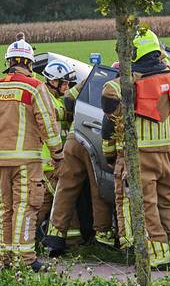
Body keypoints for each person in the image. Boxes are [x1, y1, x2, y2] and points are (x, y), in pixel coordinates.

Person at [100, 29, 170, 270]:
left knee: (147, 205)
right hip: (168, 151)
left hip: (142, 153)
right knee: (168, 202)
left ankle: (158, 256)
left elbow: (109, 96)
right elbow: (164, 63)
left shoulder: (131, 82)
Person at [0, 33, 64, 271]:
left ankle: (6, 256)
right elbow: (47, 123)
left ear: (8, 62)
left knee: (6, 207)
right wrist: (57, 153)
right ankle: (25, 258)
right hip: (27, 159)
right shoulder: (35, 88)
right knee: (26, 206)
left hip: (1, 159)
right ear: (29, 63)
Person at [42, 61, 117, 256]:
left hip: (75, 138)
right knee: (98, 188)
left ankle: (55, 236)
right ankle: (103, 236)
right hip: (94, 138)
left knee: (65, 187)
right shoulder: (120, 84)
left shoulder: (91, 80)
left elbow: (68, 100)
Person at [36, 60, 81, 246]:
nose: (66, 87)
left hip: (55, 160)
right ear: (52, 81)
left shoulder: (55, 97)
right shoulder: (45, 98)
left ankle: (57, 239)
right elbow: (55, 115)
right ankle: (65, 240)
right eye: (63, 83)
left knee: (54, 201)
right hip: (48, 162)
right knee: (55, 201)